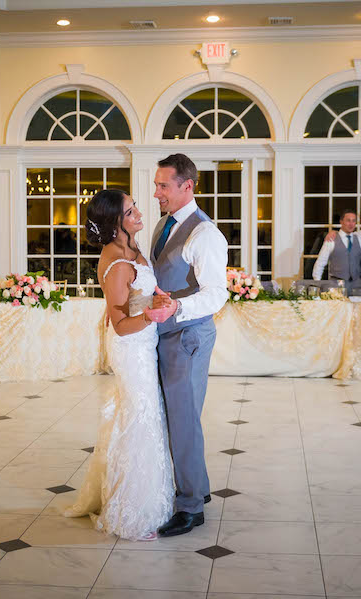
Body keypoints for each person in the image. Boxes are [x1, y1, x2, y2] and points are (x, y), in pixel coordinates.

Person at [64, 189, 175, 541]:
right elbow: (120, 324)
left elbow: (138, 299)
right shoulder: (115, 263)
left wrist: (156, 300)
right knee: (139, 419)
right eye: (130, 211)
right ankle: (132, 511)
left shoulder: (134, 250)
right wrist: (151, 315)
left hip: (145, 342)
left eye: (135, 207)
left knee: (144, 415)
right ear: (115, 223)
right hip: (131, 348)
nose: (139, 213)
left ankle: (148, 497)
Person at [146, 153, 229, 537]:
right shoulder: (163, 224)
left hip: (190, 335)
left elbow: (216, 294)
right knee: (177, 417)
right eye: (157, 184)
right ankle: (199, 486)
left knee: (184, 419)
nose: (157, 192)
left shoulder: (205, 234)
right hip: (165, 334)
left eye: (164, 185)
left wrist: (178, 306)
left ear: (187, 186)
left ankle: (191, 506)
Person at [311, 209, 361, 294]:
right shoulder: (331, 239)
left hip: (356, 287)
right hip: (336, 286)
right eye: (348, 220)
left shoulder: (360, 239)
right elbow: (321, 262)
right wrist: (317, 284)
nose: (351, 224)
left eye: (353, 221)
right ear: (341, 222)